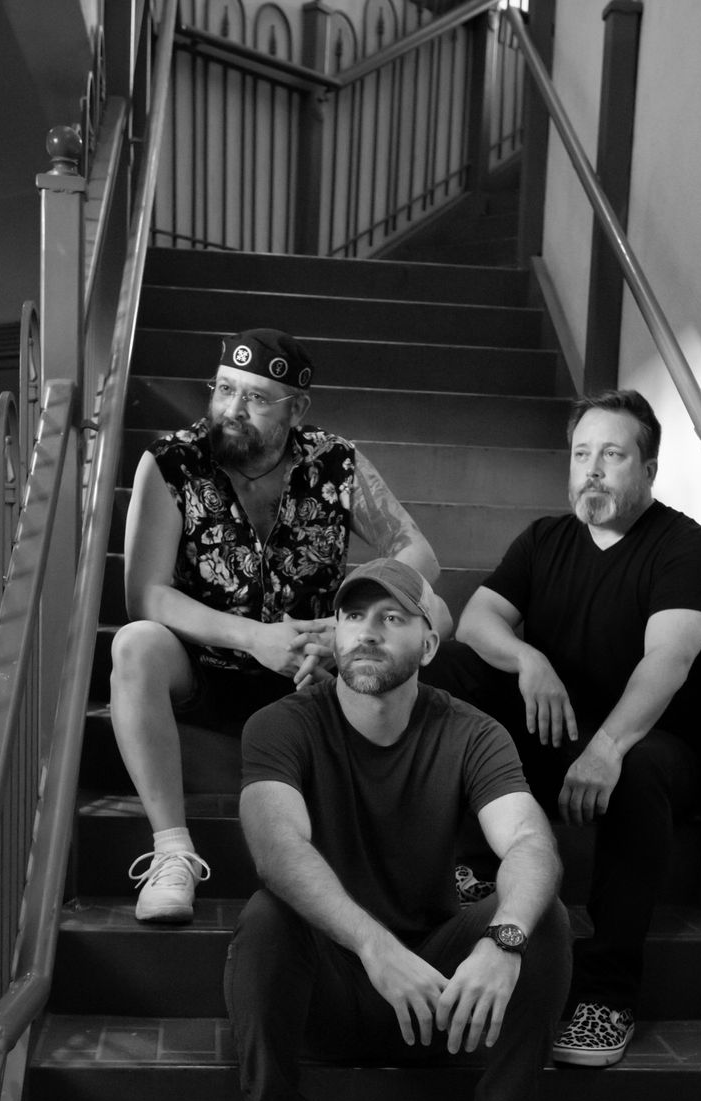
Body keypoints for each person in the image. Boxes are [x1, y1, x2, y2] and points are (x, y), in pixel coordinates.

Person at [224, 557, 571, 1101]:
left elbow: (530, 842)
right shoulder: (280, 725)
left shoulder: (472, 732)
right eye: (353, 615)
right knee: (268, 918)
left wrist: (503, 943)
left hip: (437, 995)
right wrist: (373, 946)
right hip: (328, 986)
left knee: (540, 916)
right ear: (334, 633)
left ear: (429, 643)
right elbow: (276, 849)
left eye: (392, 617)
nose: (368, 632)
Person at [423, 389, 701, 1067]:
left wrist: (608, 747)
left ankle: (606, 993)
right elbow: (478, 620)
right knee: (449, 670)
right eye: (581, 454)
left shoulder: (687, 549)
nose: (591, 469)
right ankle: (469, 865)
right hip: (554, 731)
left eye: (612, 455)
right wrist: (528, 659)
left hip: (647, 743)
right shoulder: (545, 539)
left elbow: (668, 659)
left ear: (648, 469)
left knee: (640, 770)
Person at [110, 327, 450, 923]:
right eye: (224, 390)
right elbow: (146, 595)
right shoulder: (171, 462)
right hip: (204, 667)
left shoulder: (335, 461)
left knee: (430, 616)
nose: (232, 409)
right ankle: (172, 852)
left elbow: (416, 553)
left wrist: (338, 634)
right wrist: (253, 637)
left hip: (311, 674)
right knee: (135, 644)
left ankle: (410, 854)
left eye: (256, 398)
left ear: (297, 409)